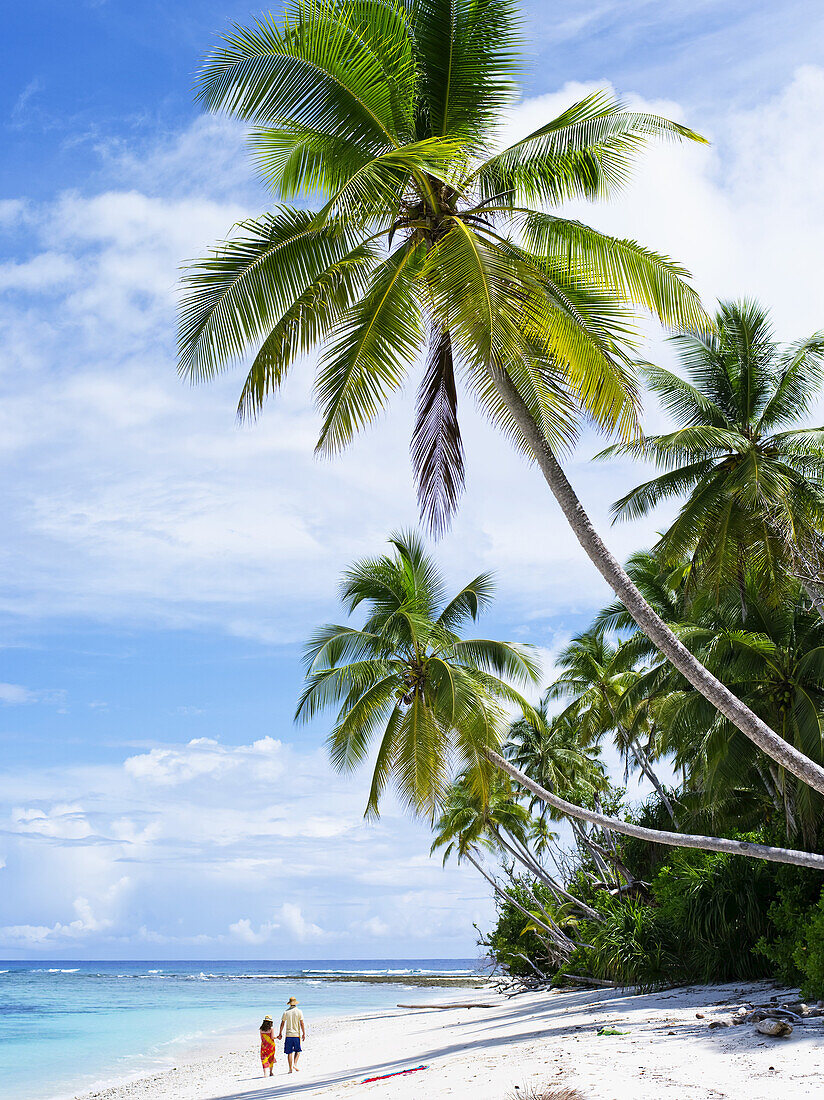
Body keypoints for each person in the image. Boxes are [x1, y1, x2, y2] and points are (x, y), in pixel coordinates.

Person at [277, 996, 305, 1073]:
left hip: (288, 1035)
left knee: (289, 1052)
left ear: (289, 1004)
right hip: (296, 1035)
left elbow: (282, 1023)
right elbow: (302, 1023)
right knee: (298, 1051)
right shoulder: (299, 1011)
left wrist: (280, 1033)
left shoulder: (286, 1012)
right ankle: (295, 1064)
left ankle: (290, 1069)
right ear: (295, 1003)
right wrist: (303, 1033)